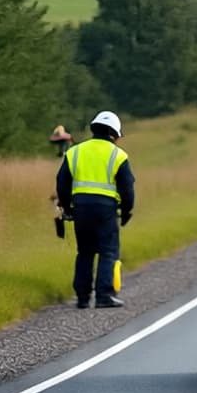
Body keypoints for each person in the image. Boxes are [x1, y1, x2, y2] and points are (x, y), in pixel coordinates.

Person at [56, 110, 135, 309]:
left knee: (84, 252)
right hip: (106, 210)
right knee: (108, 252)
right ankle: (104, 296)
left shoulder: (74, 151)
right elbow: (127, 188)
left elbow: (62, 181)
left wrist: (67, 207)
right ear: (113, 133)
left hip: (81, 209)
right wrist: (126, 212)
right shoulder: (118, 155)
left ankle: (82, 298)